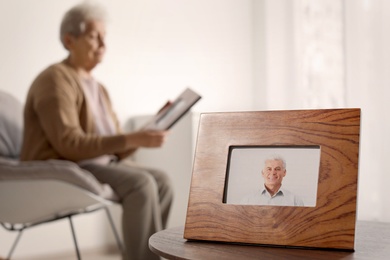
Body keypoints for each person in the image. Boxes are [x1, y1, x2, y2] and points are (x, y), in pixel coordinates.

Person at [20, 2, 173, 259]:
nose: (103, 44)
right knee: (141, 184)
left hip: (98, 163)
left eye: (104, 36)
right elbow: (69, 144)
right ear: (69, 40)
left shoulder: (98, 88)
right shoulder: (55, 79)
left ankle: (152, 254)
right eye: (94, 36)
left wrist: (149, 131)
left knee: (163, 181)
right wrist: (133, 137)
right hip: (66, 165)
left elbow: (117, 149)